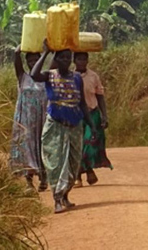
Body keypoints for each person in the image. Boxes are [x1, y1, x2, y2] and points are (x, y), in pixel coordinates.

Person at [31, 41, 94, 214]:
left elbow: (81, 103)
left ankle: (65, 195)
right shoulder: (49, 75)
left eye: (68, 58)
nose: (65, 60)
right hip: (55, 126)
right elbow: (33, 74)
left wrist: (92, 125)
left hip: (74, 126)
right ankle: (57, 199)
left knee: (73, 165)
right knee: (55, 164)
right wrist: (45, 53)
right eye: (62, 58)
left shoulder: (76, 78)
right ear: (56, 59)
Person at [8, 45, 48, 192]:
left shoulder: (45, 77)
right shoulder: (23, 77)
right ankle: (29, 181)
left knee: (42, 145)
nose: (32, 63)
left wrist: (47, 51)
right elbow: (17, 64)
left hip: (42, 119)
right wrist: (17, 53)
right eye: (30, 60)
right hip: (25, 120)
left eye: (35, 60)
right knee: (27, 148)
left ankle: (44, 177)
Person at [74, 52, 112, 187]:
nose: (82, 62)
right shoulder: (70, 76)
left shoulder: (93, 76)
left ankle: (87, 171)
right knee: (78, 146)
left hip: (92, 112)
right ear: (74, 61)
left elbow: (100, 96)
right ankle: (81, 176)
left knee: (90, 145)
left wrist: (104, 115)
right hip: (76, 115)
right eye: (79, 59)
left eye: (84, 59)